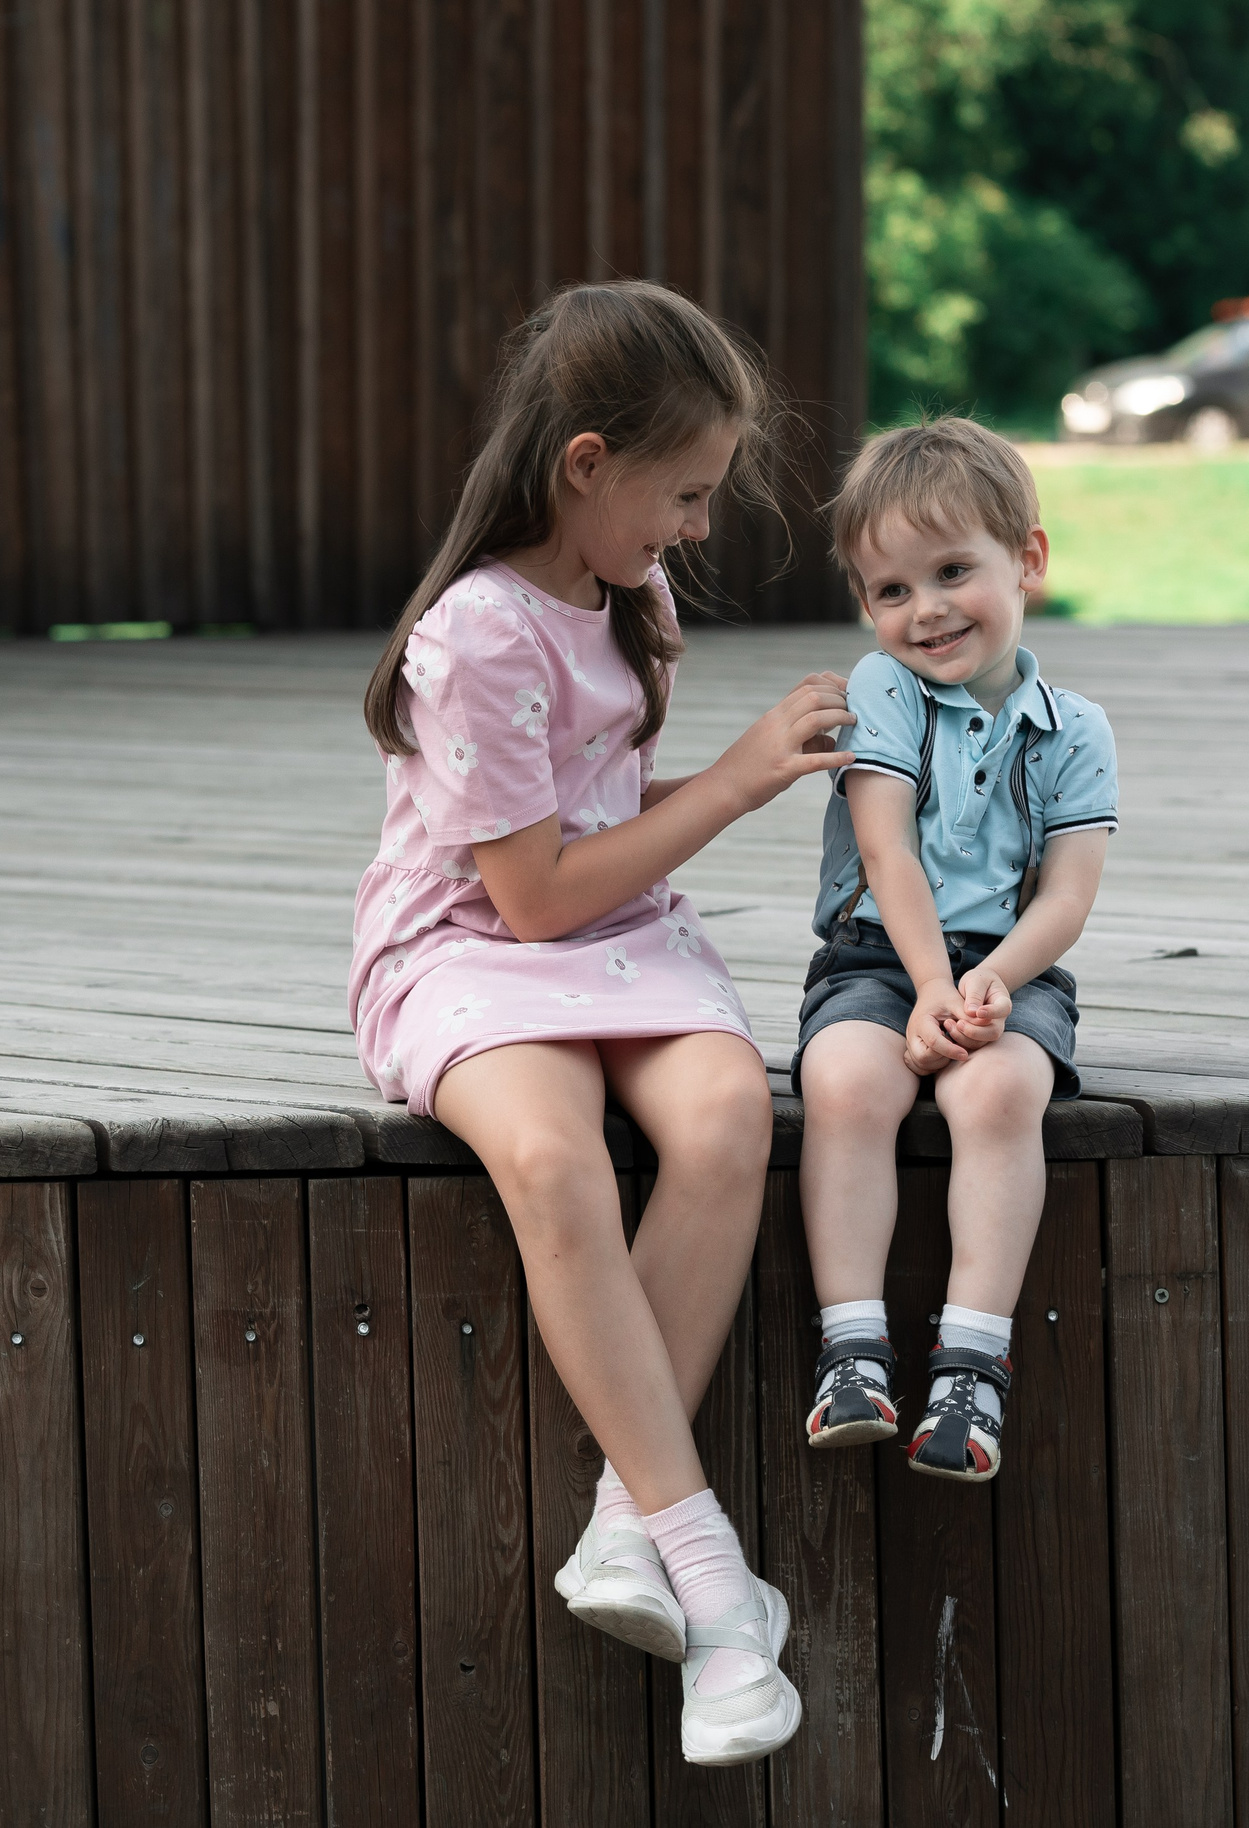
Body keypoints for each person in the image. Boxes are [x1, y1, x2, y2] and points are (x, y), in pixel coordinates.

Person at [350, 281, 853, 1765]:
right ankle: (709, 1579)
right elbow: (533, 903)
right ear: (586, 464)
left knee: (720, 1121)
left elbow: (601, 853)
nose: (695, 528)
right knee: (558, 1162)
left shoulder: (628, 595)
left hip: (614, 930)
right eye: (683, 493)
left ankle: (620, 1532)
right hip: (475, 944)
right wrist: (746, 778)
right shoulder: (476, 638)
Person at [793, 417, 1119, 1482]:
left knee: (995, 1095)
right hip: (878, 957)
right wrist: (928, 986)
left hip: (1007, 965)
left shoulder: (1073, 729)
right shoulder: (883, 688)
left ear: (1026, 558)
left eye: (951, 572)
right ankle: (853, 1349)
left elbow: (1065, 897)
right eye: (890, 590)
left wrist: (990, 983)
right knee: (845, 1080)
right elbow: (885, 849)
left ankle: (970, 1366)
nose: (924, 610)